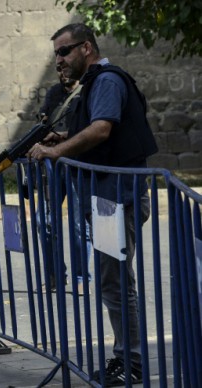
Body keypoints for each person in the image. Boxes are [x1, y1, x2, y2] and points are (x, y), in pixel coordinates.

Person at [26, 23, 158, 386]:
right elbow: (97, 130)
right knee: (111, 282)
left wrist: (55, 150)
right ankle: (127, 359)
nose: (59, 61)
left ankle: (131, 364)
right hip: (107, 199)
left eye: (65, 51)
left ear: (87, 48)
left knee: (115, 283)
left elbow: (102, 129)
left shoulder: (107, 80)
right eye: (55, 54)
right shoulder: (95, 82)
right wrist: (65, 136)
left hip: (119, 198)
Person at [37, 65, 92, 296]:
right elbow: (44, 124)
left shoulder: (88, 92)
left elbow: (90, 129)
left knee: (80, 225)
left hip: (76, 164)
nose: (63, 72)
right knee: (44, 221)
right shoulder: (53, 94)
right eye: (58, 68)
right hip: (54, 166)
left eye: (66, 67)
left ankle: (82, 277)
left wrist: (61, 138)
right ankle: (54, 275)